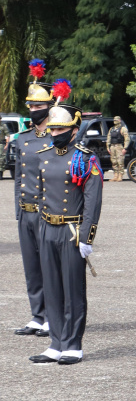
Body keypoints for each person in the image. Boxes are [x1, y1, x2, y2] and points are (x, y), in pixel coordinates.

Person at [30, 80, 103, 365]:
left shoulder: (85, 159)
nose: (55, 134)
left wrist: (87, 237)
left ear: (74, 130)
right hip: (48, 228)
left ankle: (73, 344)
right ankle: (56, 342)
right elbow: (40, 195)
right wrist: (41, 228)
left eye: (61, 129)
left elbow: (92, 202)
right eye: (52, 129)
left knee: (73, 290)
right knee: (51, 288)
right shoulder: (44, 157)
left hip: (72, 230)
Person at [13, 60, 53, 338]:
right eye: (30, 106)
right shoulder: (22, 138)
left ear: (50, 106)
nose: (33, 110)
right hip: (26, 211)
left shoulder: (57, 137)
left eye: (38, 105)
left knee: (50, 266)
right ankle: (37, 315)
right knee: (31, 266)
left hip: (47, 211)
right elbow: (18, 176)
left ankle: (52, 315)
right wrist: (18, 209)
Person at [106, 116, 130, 182]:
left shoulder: (123, 129)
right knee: (114, 161)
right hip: (112, 146)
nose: (115, 121)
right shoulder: (111, 129)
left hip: (119, 146)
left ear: (119, 120)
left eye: (116, 120)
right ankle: (115, 176)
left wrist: (125, 148)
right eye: (114, 120)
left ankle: (120, 176)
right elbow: (108, 138)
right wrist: (108, 147)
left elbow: (127, 139)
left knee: (120, 162)